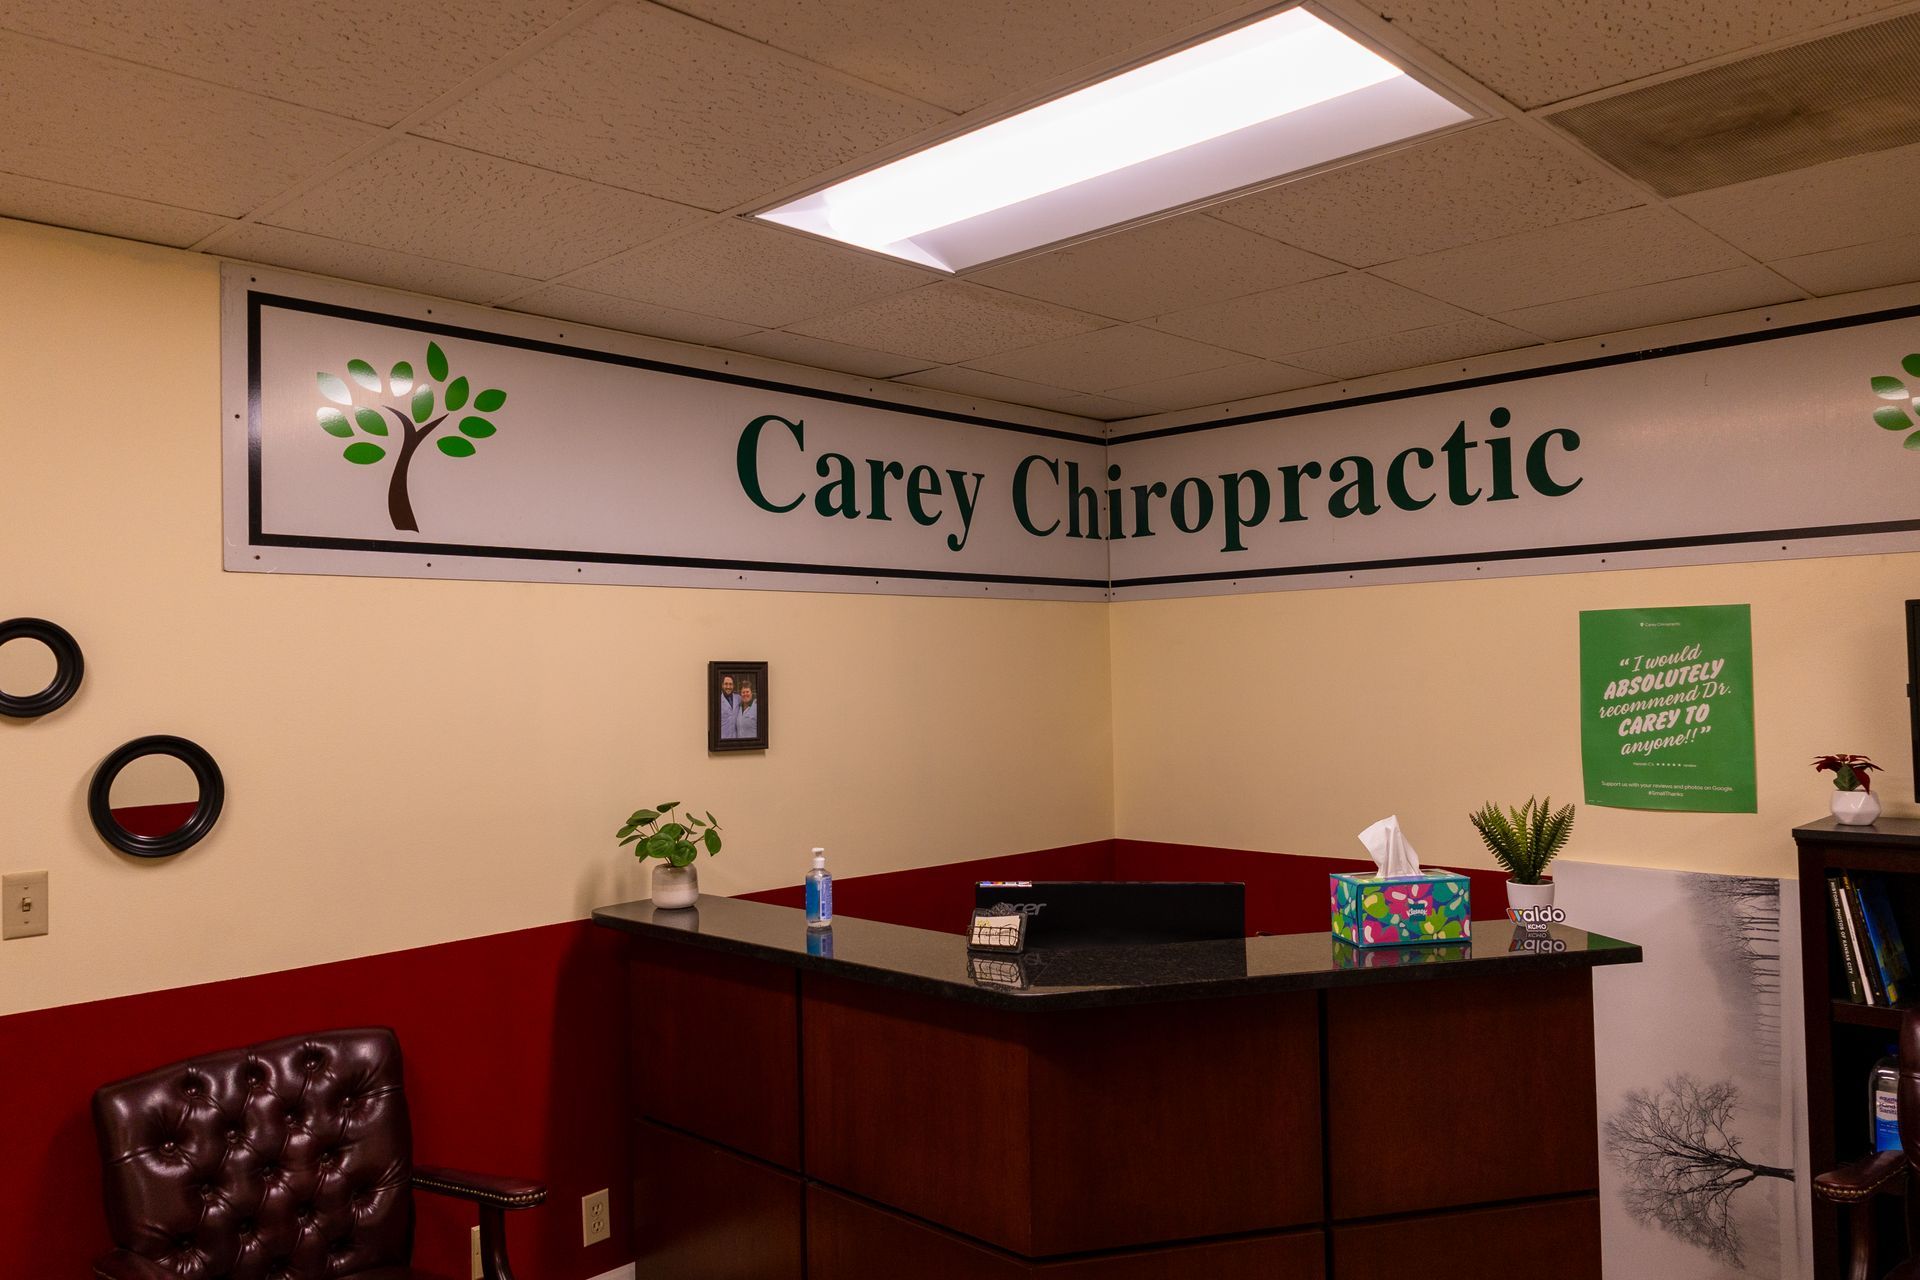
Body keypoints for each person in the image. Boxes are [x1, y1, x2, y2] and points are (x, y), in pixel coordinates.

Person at [717, 674, 737, 740]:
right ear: (722, 685)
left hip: (736, 739)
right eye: (726, 684)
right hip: (723, 740)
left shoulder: (738, 698)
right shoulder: (717, 701)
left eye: (730, 684)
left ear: (733, 686)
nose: (728, 687)